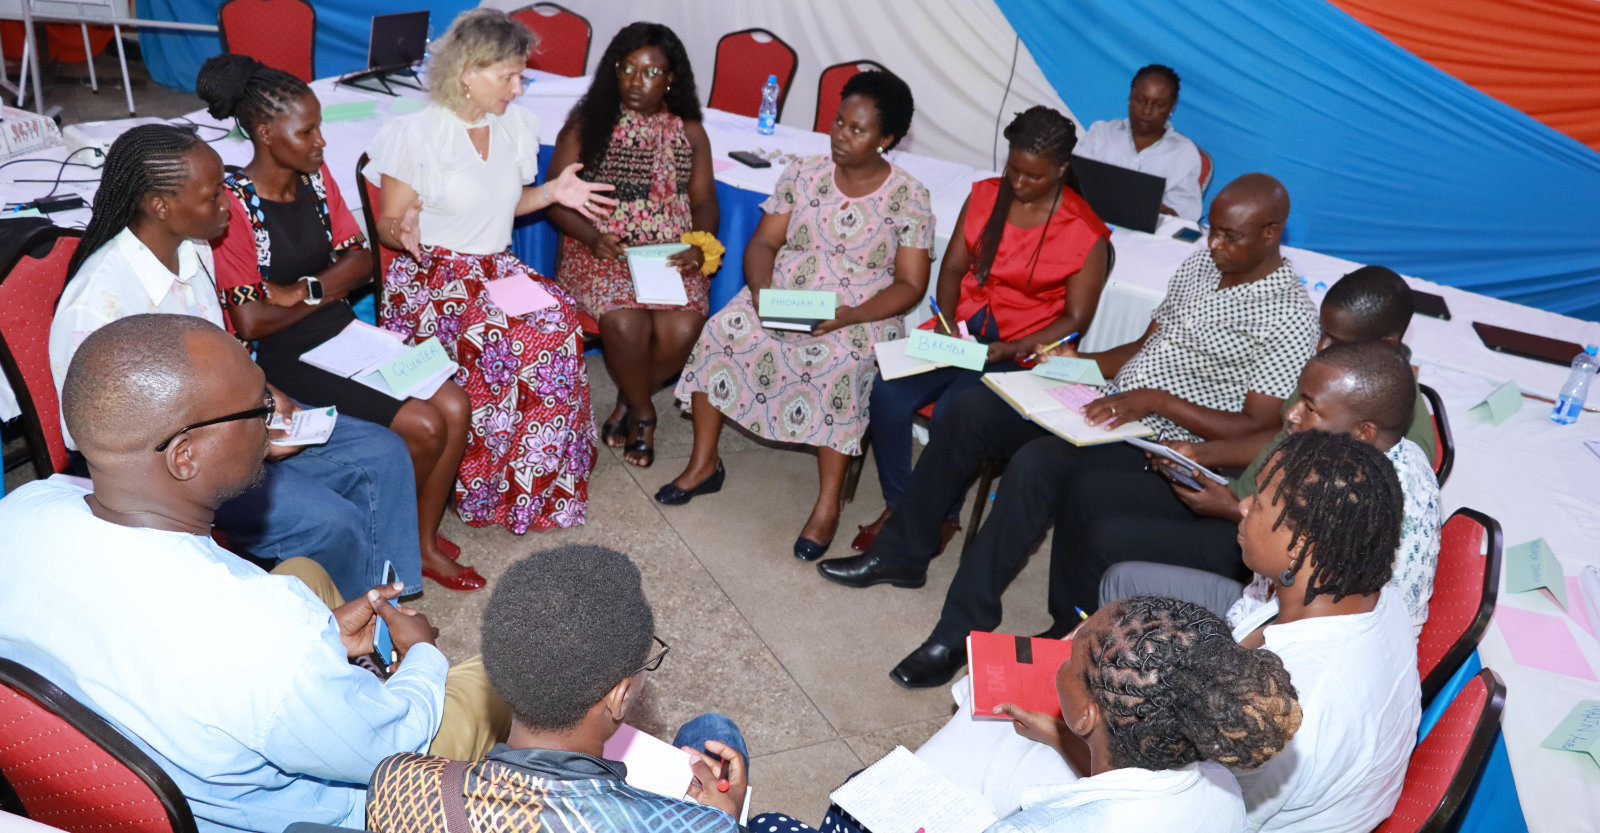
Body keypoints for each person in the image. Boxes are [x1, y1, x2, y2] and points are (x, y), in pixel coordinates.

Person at [1, 314, 510, 832]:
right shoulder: (263, 633)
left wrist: (318, 641)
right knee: (503, 672)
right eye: (259, 409)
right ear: (184, 456)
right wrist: (422, 654)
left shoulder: (21, 509)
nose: (274, 422)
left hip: (139, 765)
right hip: (310, 814)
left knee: (303, 569)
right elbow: (395, 742)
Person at [818, 174, 1319, 688]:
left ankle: (959, 632)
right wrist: (1080, 364)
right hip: (1112, 404)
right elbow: (1148, 347)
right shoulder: (1200, 264)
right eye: (1211, 230)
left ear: (1270, 233)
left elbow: (1260, 426)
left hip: (1160, 442)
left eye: (1230, 236)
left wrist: (1155, 401)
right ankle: (903, 552)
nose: (1214, 244)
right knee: (972, 408)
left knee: (1038, 464)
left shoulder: (1289, 316)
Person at [915, 430, 1421, 833]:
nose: (1242, 507)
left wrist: (1067, 739)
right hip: (1211, 786)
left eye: (1261, 503)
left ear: (1302, 543)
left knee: (979, 736)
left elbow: (1185, 805)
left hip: (1203, 811)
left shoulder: (1290, 710)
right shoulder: (1364, 587)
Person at [48, 124, 422, 602]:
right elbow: (94, 441)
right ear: (161, 206)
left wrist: (263, 397)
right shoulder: (98, 305)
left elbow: (220, 351)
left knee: (382, 452)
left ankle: (388, 607)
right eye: (211, 197)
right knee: (332, 522)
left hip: (234, 421)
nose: (228, 205)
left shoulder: (192, 249)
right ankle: (349, 636)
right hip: (171, 473)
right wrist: (246, 438)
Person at [1017, 269, 1442, 636]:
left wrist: (1234, 508)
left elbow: (1296, 592)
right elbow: (1276, 446)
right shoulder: (1340, 395)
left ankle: (1093, 650)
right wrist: (1202, 454)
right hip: (1246, 512)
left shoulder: (1366, 482)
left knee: (1107, 541)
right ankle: (1067, 630)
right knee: (1086, 490)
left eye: (1308, 409)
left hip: (1253, 550)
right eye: (1322, 334)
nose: (1292, 414)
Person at [198, 54, 483, 592]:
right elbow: (253, 320)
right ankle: (402, 544)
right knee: (423, 425)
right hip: (287, 356)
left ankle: (420, 538)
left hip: (345, 333)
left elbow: (361, 259)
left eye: (320, 127)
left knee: (454, 404)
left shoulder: (315, 176)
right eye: (306, 131)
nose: (321, 141)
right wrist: (324, 286)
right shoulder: (234, 205)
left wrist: (300, 290)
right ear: (264, 132)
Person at [660, 71, 935, 561]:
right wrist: (763, 294)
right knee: (724, 330)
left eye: (857, 129)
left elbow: (910, 286)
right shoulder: (804, 173)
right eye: (838, 122)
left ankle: (827, 504)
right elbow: (765, 242)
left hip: (862, 311)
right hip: (786, 291)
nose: (840, 135)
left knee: (836, 365)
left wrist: (851, 315)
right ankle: (704, 464)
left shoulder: (908, 196)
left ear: (887, 140)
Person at [366, 8, 617, 534]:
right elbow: (390, 223)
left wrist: (551, 193)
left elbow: (505, 204)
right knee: (528, 340)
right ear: (467, 72)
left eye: (520, 74)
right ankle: (480, 483)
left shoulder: (513, 127)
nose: (519, 88)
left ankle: (535, 484)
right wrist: (401, 227)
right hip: (435, 276)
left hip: (495, 270)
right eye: (508, 76)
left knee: (561, 322)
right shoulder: (417, 134)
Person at [753, 596, 1301, 833]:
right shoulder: (1222, 787)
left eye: (1074, 646)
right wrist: (1064, 739)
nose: (1062, 648)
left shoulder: (1050, 823)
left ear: (1086, 712)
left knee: (837, 802)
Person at [852, 106, 1109, 553]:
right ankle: (904, 505)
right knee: (887, 393)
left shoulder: (1085, 231)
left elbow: (1075, 319)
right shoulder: (985, 195)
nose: (1018, 184)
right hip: (962, 332)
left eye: (1032, 176)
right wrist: (950, 324)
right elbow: (951, 268)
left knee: (957, 410)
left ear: (1062, 170)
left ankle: (940, 515)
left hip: (1022, 350)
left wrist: (1012, 349)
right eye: (1013, 170)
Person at [366, 544, 749, 832]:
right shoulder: (700, 826)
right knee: (714, 731)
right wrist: (724, 818)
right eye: (647, 660)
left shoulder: (396, 781)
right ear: (618, 697)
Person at [549, 23, 719, 468]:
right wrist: (591, 236)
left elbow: (703, 202)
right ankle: (645, 413)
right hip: (601, 249)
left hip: (669, 254)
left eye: (650, 73)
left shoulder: (690, 132)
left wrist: (699, 248)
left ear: (671, 79)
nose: (635, 81)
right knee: (624, 324)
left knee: (683, 327)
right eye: (627, 69)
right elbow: (553, 202)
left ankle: (627, 398)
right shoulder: (588, 126)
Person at [1074, 64, 1204, 221]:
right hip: (1092, 226)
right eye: (1141, 100)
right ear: (1130, 98)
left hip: (1148, 239)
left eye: (1158, 105)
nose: (1147, 111)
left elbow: (1187, 214)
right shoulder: (1101, 133)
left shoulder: (1184, 152)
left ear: (1171, 106)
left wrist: (1149, 208)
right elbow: (1073, 185)